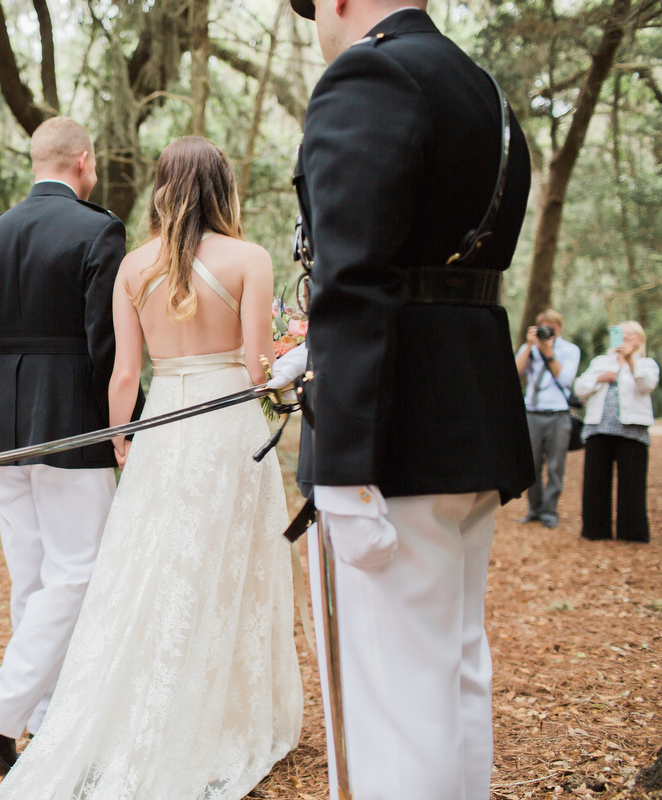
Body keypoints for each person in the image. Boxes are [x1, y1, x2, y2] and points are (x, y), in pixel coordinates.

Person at [0, 137, 302, 800]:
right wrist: (292, 368)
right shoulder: (249, 259)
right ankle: (220, 719)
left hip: (162, 427)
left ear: (162, 188)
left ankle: (133, 711)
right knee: (228, 572)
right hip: (226, 431)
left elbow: (126, 372)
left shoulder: (135, 267)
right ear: (224, 190)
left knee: (152, 571)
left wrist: (122, 438)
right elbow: (254, 371)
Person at [284, 0, 536, 796]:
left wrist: (344, 466)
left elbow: (352, 279)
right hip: (471, 409)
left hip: (396, 435)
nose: (318, 21)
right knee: (454, 673)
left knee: (396, 698)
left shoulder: (370, 71)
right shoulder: (484, 91)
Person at [0, 116, 144, 771]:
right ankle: (0, 711)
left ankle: (45, 717)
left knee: (32, 575)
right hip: (72, 425)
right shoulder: (99, 230)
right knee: (78, 571)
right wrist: (121, 425)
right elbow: (104, 343)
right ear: (82, 161)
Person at [574, 322, 658, 543]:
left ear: (640, 339)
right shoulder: (600, 362)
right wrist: (598, 379)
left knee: (632, 482)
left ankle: (632, 532)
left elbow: (647, 384)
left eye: (630, 334)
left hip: (632, 429)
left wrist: (630, 361)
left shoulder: (646, 363)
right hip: (598, 427)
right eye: (621, 334)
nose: (625, 338)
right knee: (595, 480)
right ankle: (595, 530)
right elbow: (579, 387)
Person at [514, 309, 582, 528]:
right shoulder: (529, 347)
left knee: (555, 466)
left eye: (550, 326)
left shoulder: (570, 349)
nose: (546, 330)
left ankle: (550, 510)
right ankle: (533, 508)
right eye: (542, 326)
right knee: (530, 464)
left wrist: (549, 352)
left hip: (558, 413)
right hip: (532, 411)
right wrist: (530, 346)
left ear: (558, 328)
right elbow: (515, 371)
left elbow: (565, 379)